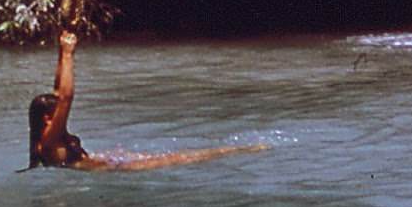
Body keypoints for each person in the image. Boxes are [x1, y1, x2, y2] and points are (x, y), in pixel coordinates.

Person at [28, 30, 267, 171]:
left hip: (110, 162)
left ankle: (239, 150)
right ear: (48, 117)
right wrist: (68, 55)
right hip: (114, 171)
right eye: (56, 108)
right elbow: (67, 96)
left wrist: (63, 53)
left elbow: (60, 89)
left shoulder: (50, 134)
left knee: (182, 155)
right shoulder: (49, 141)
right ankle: (242, 150)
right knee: (185, 158)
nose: (61, 108)